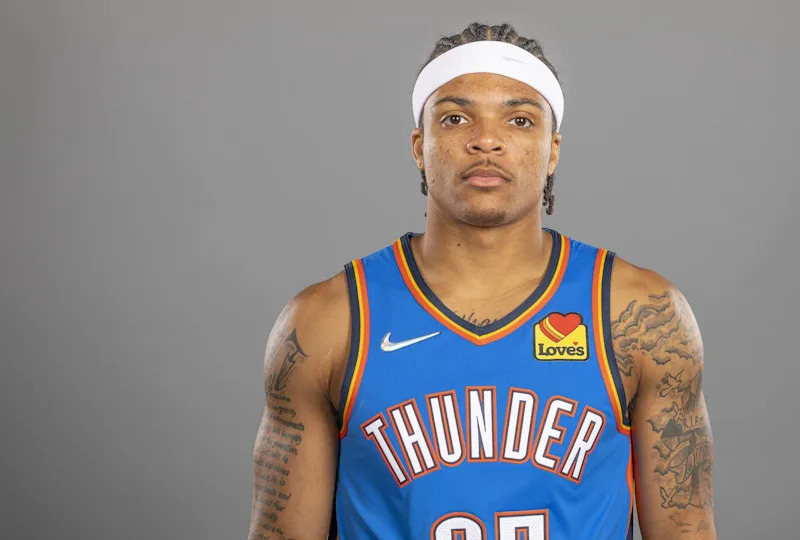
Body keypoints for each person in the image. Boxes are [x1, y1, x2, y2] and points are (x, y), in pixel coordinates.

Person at [248, 22, 716, 540]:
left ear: (553, 149)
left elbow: (686, 532)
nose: (487, 140)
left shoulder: (639, 315)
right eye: (455, 118)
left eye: (518, 120)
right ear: (418, 145)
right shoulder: (327, 322)